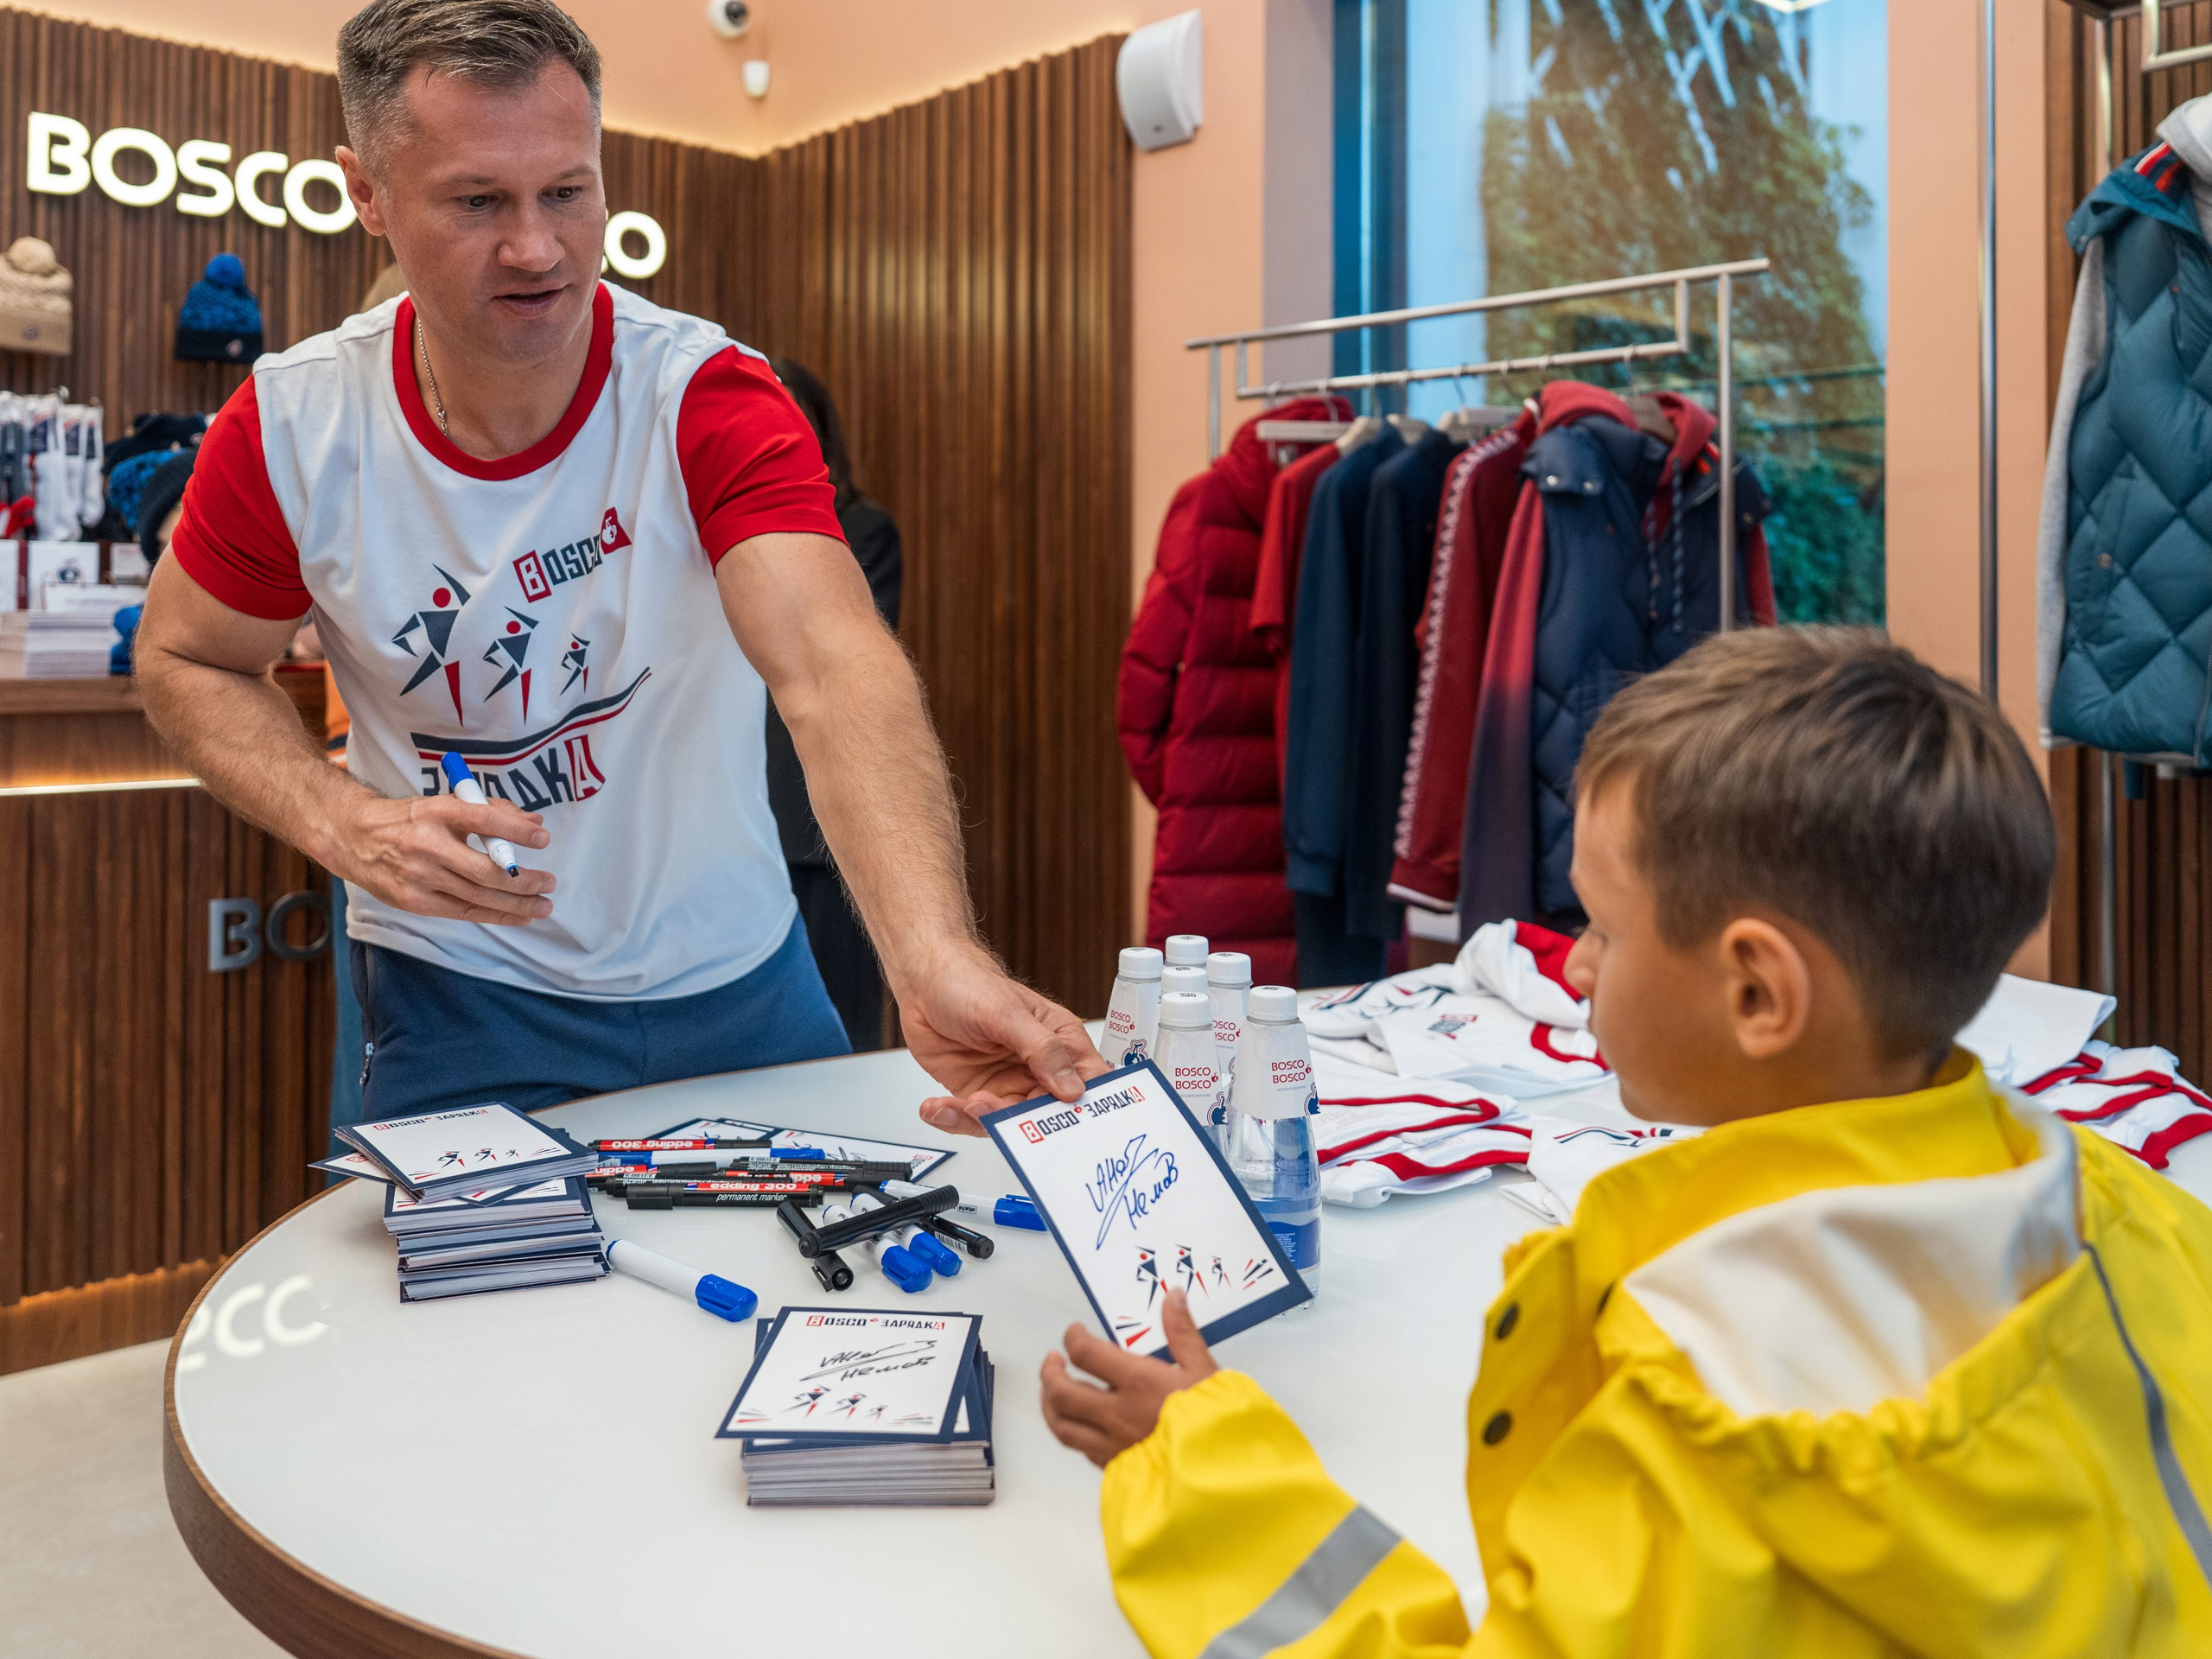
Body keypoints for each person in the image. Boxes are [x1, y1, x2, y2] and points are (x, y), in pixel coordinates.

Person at [1038, 627, 2212, 1656]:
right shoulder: (2135, 1214)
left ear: (1757, 994)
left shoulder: (1708, 1409)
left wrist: (1202, 1473)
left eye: (1601, 925)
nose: (1579, 967)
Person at [133, 0, 1103, 1124]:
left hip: (739, 978)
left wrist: (931, 953)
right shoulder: (296, 425)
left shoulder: (705, 395)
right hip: (458, 988)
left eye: (567, 191)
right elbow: (188, 658)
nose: (537, 248)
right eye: (477, 201)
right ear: (368, 194)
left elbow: (832, 666)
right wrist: (335, 818)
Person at [762, 357, 900, 1052]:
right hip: (739, 811)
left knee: (843, 1029)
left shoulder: (861, 528)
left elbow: (835, 657)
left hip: (820, 813)